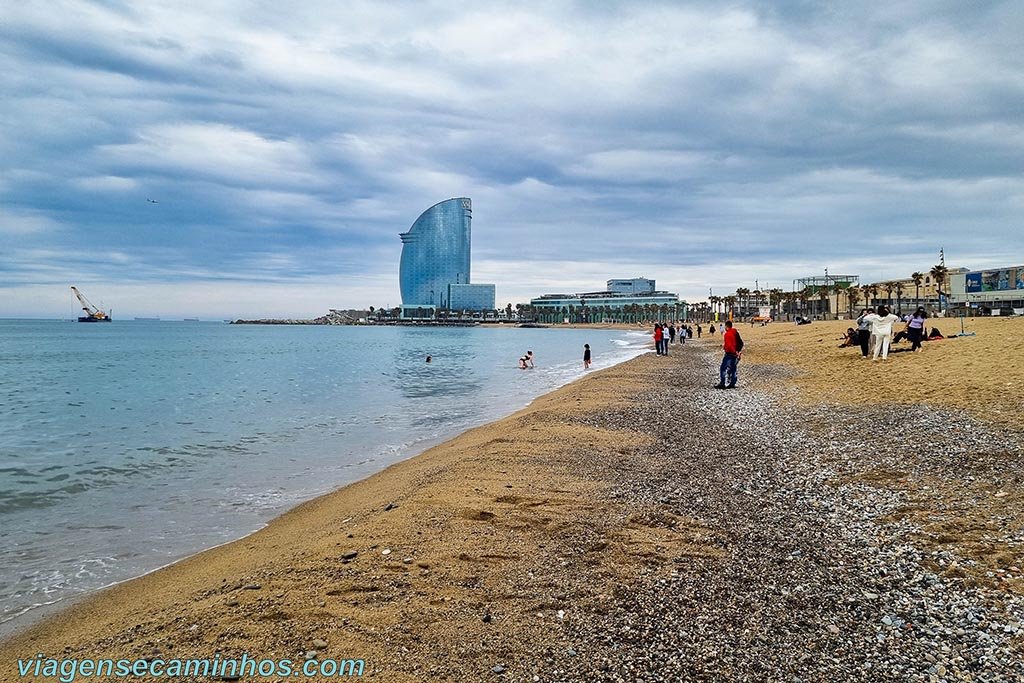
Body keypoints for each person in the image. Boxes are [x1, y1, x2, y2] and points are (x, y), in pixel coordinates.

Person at [714, 320, 742, 389]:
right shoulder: (735, 332)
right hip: (734, 353)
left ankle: (722, 383)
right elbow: (738, 342)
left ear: (726, 326)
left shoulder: (727, 334)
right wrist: (737, 352)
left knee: (723, 368)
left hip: (730, 353)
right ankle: (732, 383)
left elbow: (729, 345)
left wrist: (733, 351)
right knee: (733, 368)